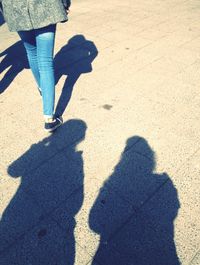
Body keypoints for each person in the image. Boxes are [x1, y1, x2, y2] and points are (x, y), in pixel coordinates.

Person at [0, 0, 71, 132]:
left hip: (16, 8)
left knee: (32, 53)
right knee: (46, 61)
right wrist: (65, 3)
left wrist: (5, 9)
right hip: (45, 6)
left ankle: (42, 88)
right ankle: (49, 119)